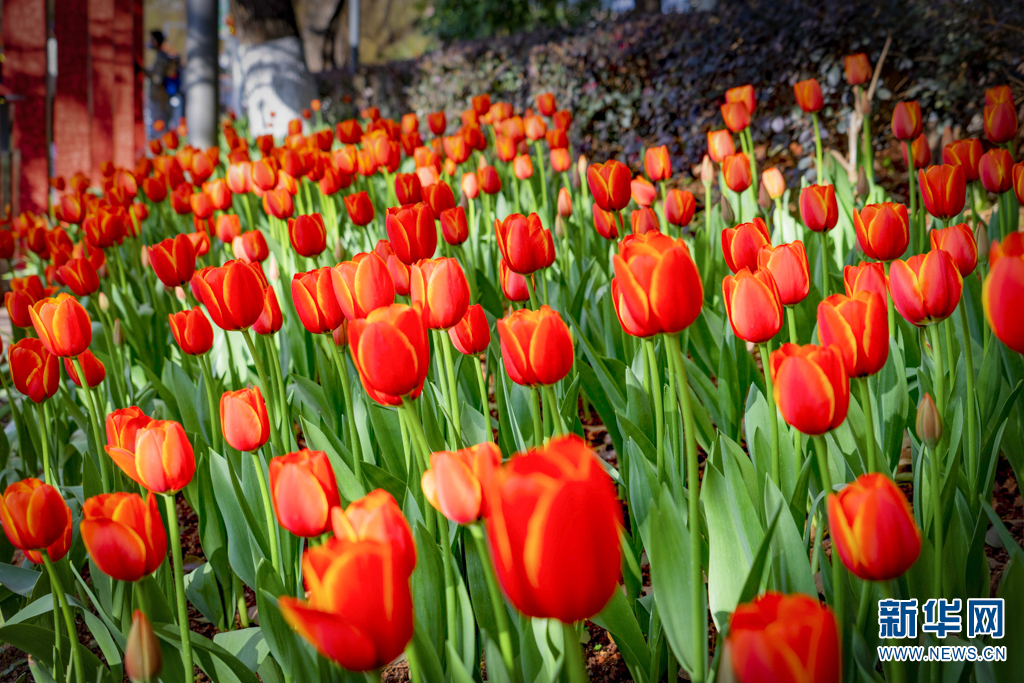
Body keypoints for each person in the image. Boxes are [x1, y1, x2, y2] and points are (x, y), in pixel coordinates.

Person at [142, 30, 181, 139]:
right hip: (160, 99)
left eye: (152, 40)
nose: (150, 42)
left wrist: (144, 71)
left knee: (160, 131)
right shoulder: (162, 56)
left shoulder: (162, 57)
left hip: (160, 100)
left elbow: (157, 79)